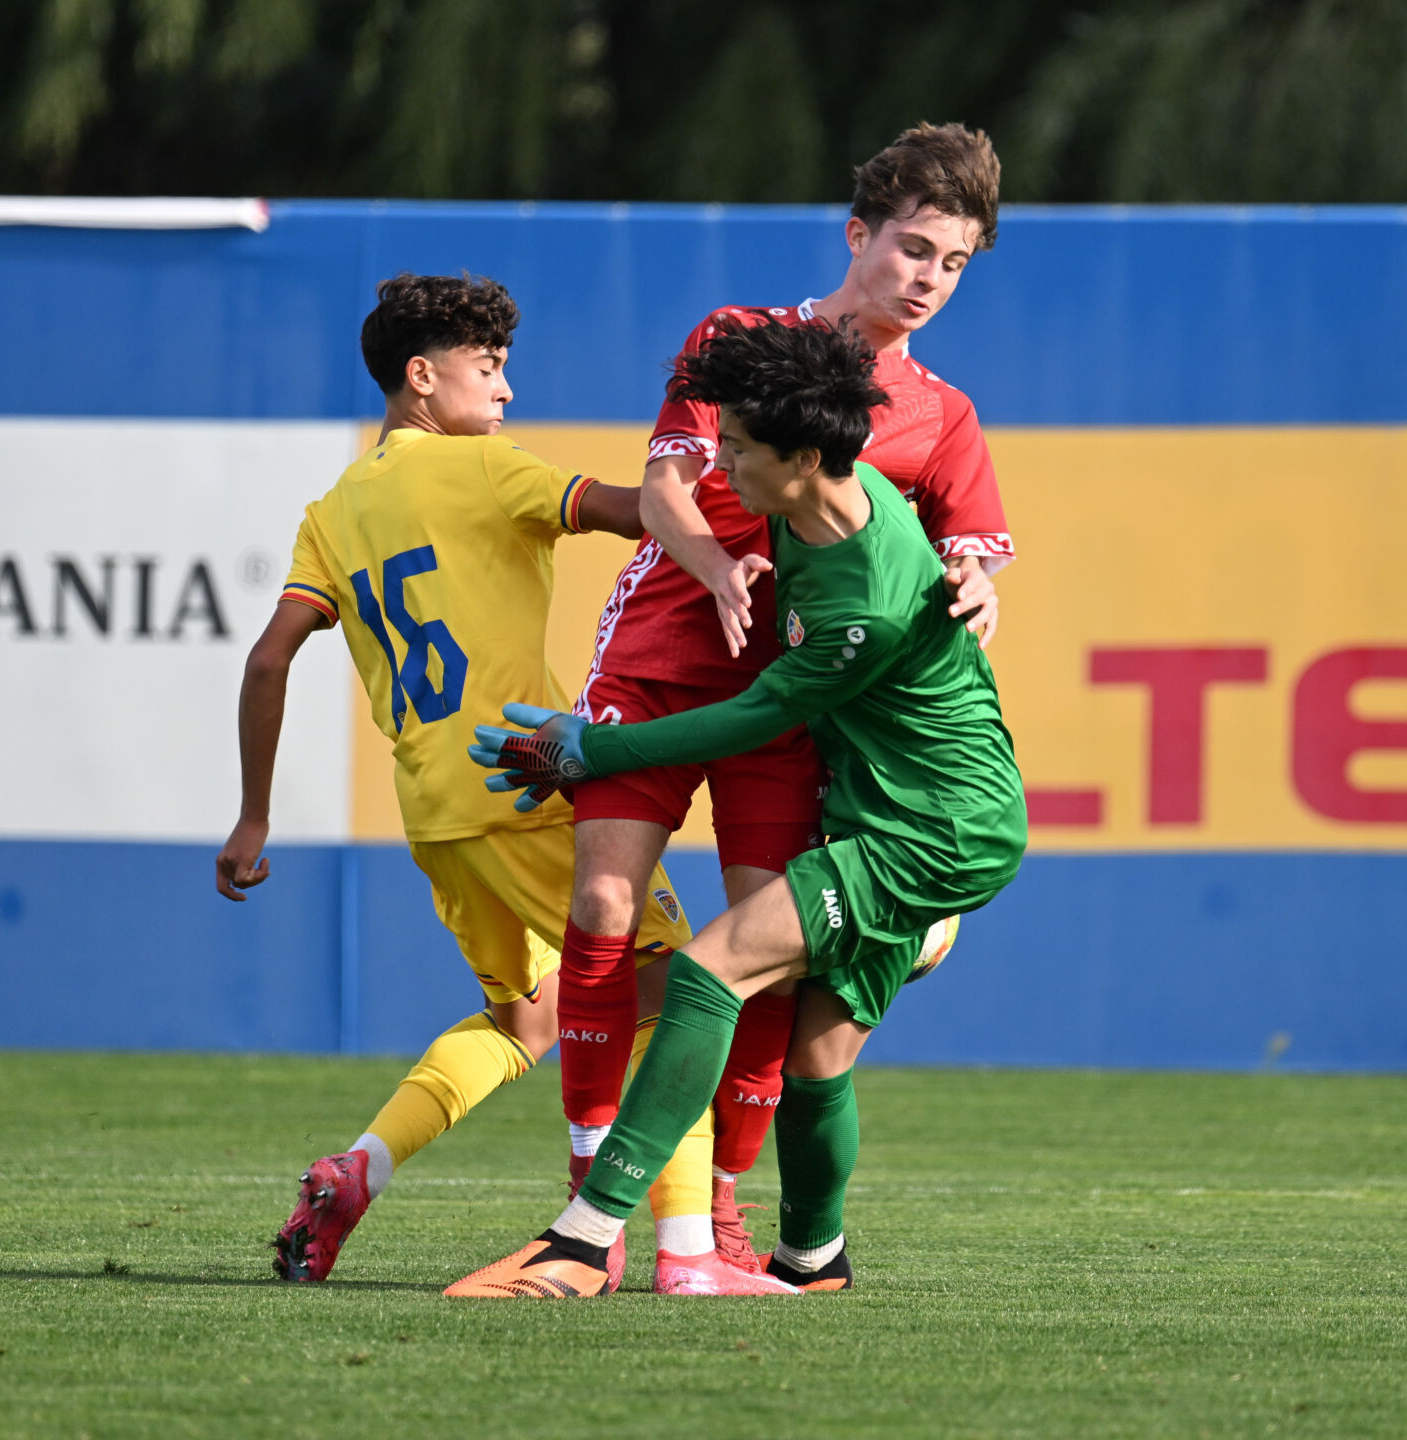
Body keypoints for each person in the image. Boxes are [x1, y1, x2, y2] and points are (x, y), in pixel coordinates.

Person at [449, 316, 1027, 1298]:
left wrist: (589, 750)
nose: (721, 465)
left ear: (803, 459)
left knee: (710, 971)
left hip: (928, 833)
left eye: (741, 450)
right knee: (816, 1059)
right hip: (897, 813)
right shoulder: (820, 507)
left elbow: (753, 717)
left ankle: (584, 1239)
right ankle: (815, 1260)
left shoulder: (863, 603)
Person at [214, 272, 736, 1292]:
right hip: (529, 782)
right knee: (676, 995)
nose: (505, 390)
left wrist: (254, 816)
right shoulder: (489, 468)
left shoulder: (333, 512)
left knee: (528, 1020)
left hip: (436, 812)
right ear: (421, 376)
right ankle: (688, 1253)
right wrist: (747, 494)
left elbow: (270, 659)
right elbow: (643, 513)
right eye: (488, 368)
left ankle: (359, 1168)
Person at [560, 121, 1015, 1274]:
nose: (929, 278)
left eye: (955, 263)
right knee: (606, 907)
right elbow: (665, 485)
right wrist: (715, 565)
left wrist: (978, 585)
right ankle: (588, 1193)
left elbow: (965, 563)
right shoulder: (739, 340)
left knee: (767, 950)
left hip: (790, 698)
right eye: (913, 248)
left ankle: (715, 1208)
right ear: (858, 235)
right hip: (668, 652)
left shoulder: (942, 415)